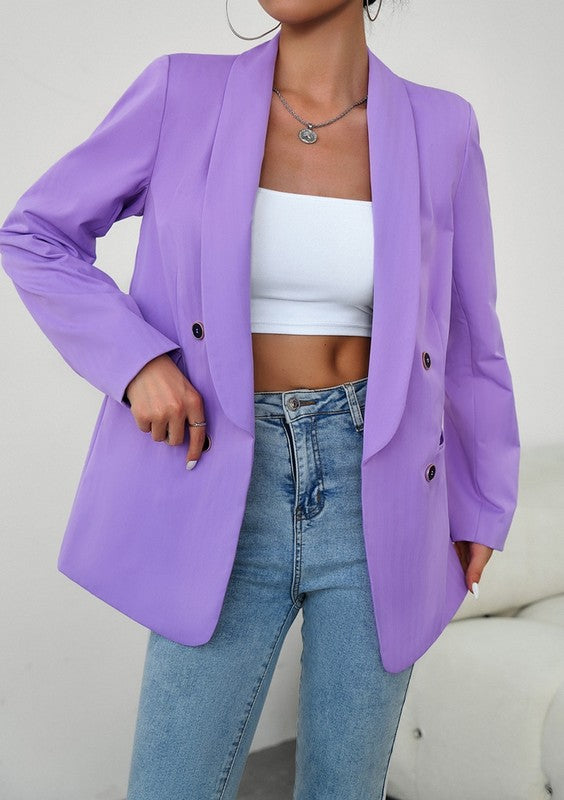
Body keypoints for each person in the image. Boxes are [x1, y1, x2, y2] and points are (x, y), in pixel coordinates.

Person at [0, 0, 521, 798]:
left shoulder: (442, 127)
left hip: (379, 483)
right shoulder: (181, 93)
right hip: (220, 474)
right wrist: (138, 363)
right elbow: (35, 233)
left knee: (344, 788)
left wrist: (482, 501)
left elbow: (470, 329)